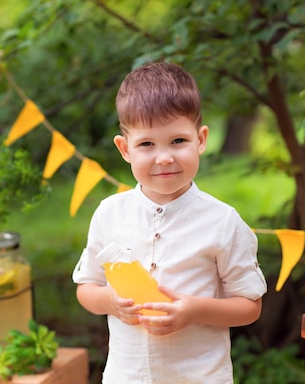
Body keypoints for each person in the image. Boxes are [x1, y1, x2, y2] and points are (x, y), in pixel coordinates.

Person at [72, 62, 267, 384]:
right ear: (125, 149)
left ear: (201, 139)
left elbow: (249, 306)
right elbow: (87, 287)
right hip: (127, 376)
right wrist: (110, 302)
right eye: (147, 144)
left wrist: (194, 310)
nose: (164, 157)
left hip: (200, 376)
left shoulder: (222, 221)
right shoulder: (109, 213)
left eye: (178, 141)